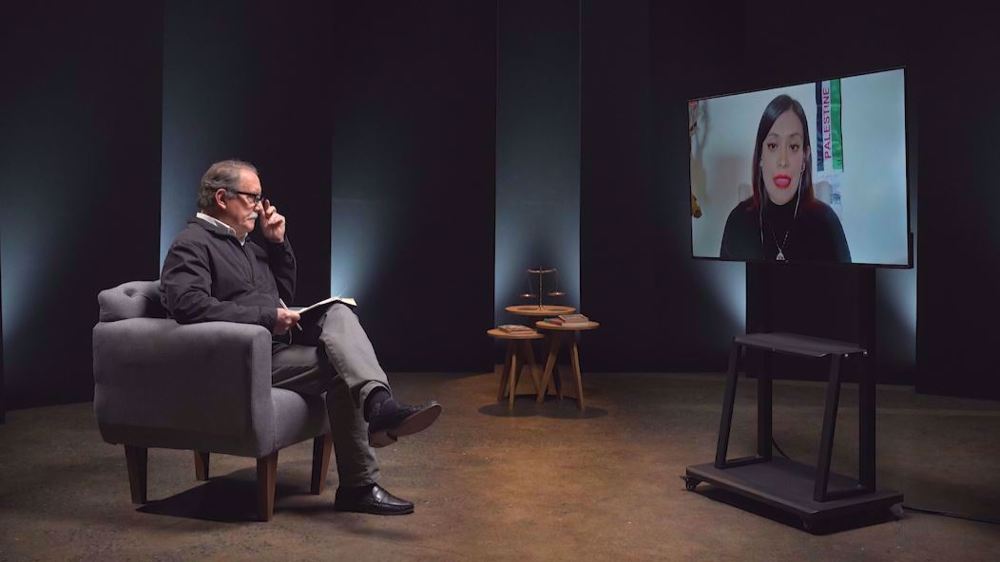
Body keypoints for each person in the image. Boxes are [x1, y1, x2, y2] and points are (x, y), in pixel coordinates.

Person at [160, 159, 442, 516]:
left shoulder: (246, 244)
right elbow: (187, 305)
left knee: (338, 312)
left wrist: (277, 245)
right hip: (241, 360)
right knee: (343, 368)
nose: (262, 208)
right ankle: (372, 442)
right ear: (221, 198)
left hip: (274, 349)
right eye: (254, 198)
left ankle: (376, 414)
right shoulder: (192, 243)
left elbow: (280, 292)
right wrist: (267, 317)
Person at [719, 94, 851, 263]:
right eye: (773, 146)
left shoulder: (827, 223)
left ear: (805, 157)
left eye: (794, 146)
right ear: (760, 156)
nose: (783, 161)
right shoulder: (737, 222)